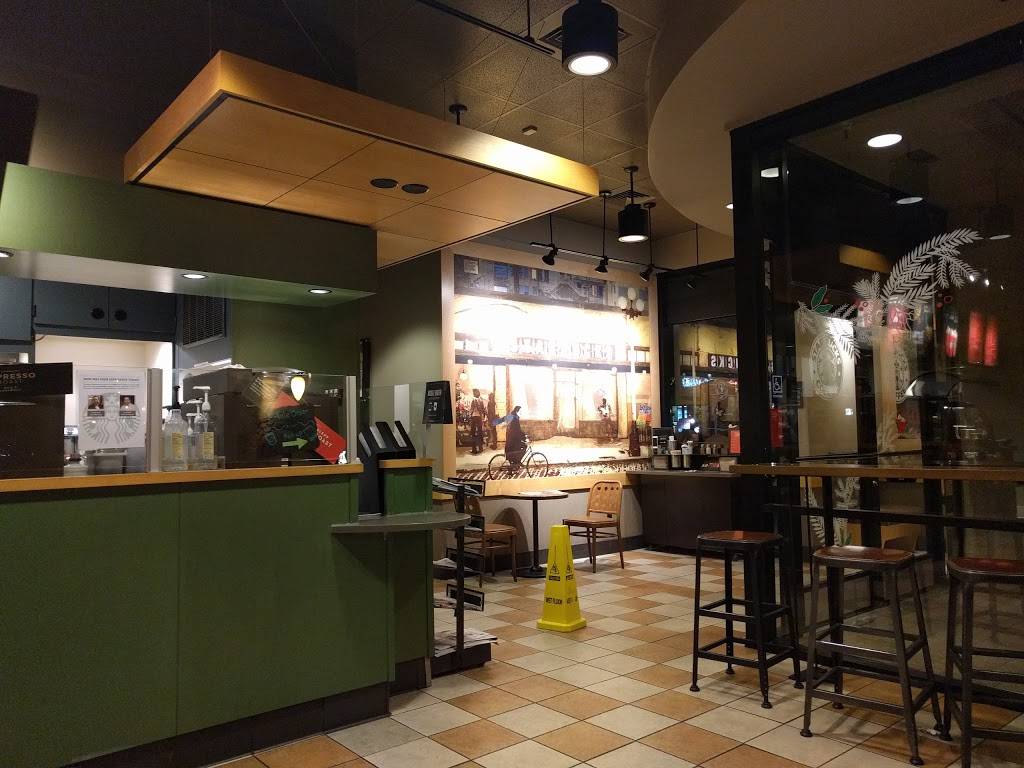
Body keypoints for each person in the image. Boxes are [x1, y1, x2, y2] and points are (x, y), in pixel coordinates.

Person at [469, 388, 486, 454]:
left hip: (474, 417)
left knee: (473, 433)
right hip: (479, 417)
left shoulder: (473, 400)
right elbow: (483, 410)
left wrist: (470, 414)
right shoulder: (481, 400)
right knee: (479, 433)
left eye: (474, 392)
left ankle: (474, 449)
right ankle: (480, 448)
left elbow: (471, 409)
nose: (473, 393)